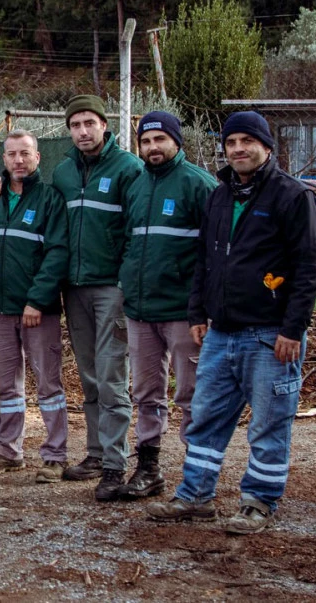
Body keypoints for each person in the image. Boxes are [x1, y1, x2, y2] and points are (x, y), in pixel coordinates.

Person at [147, 111, 316, 535]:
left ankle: (259, 502)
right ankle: (194, 497)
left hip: (270, 336)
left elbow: (309, 267)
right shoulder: (221, 195)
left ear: (266, 146)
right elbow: (205, 261)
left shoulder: (292, 197)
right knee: (206, 417)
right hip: (221, 333)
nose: (238, 149)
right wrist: (197, 313)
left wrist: (292, 329)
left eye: (247, 140)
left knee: (268, 422)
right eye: (231, 142)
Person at [115, 112, 217, 500]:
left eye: (160, 139)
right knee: (145, 393)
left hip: (184, 313)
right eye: (146, 141)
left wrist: (203, 308)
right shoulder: (137, 185)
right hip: (141, 310)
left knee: (191, 393)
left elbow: (214, 253)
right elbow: (130, 240)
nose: (153, 147)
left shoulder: (199, 185)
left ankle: (197, 477)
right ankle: (149, 469)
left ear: (176, 141)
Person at [0, 130, 70, 481]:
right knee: (6, 384)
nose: (19, 160)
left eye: (25, 153)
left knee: (48, 384)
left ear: (37, 158)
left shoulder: (50, 200)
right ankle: (10, 451)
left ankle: (55, 455)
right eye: (12, 154)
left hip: (38, 311)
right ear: (2, 159)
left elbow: (56, 254)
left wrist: (37, 300)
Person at [50, 95, 142, 498]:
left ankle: (115, 461)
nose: (83, 131)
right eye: (75, 125)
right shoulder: (65, 171)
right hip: (75, 288)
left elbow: (139, 227)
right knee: (88, 375)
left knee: (111, 375)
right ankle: (94, 453)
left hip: (112, 288)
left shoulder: (129, 168)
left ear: (104, 125)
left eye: (89, 123)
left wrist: (126, 280)